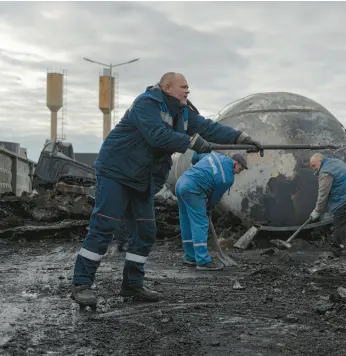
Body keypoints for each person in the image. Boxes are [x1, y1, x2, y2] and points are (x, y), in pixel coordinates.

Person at [71, 72, 263, 307]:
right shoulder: (146, 104)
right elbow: (157, 135)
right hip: (116, 173)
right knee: (104, 225)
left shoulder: (182, 114)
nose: (187, 91)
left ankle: (132, 285)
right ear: (167, 87)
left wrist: (242, 138)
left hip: (142, 179)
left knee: (145, 232)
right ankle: (82, 284)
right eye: (184, 87)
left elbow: (207, 127)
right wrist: (191, 142)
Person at [176, 151, 247, 270]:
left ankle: (190, 256)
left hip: (181, 182)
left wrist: (200, 169)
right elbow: (215, 198)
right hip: (193, 189)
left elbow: (195, 156)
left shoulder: (214, 155)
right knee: (201, 223)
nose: (240, 172)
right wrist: (209, 209)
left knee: (186, 221)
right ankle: (203, 260)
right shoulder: (227, 178)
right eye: (241, 168)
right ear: (235, 162)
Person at [308, 153, 346, 257]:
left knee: (339, 225)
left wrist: (317, 211)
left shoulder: (325, 173)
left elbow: (323, 195)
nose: (314, 169)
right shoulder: (335, 162)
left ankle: (336, 251)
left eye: (314, 166)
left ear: (320, 161)